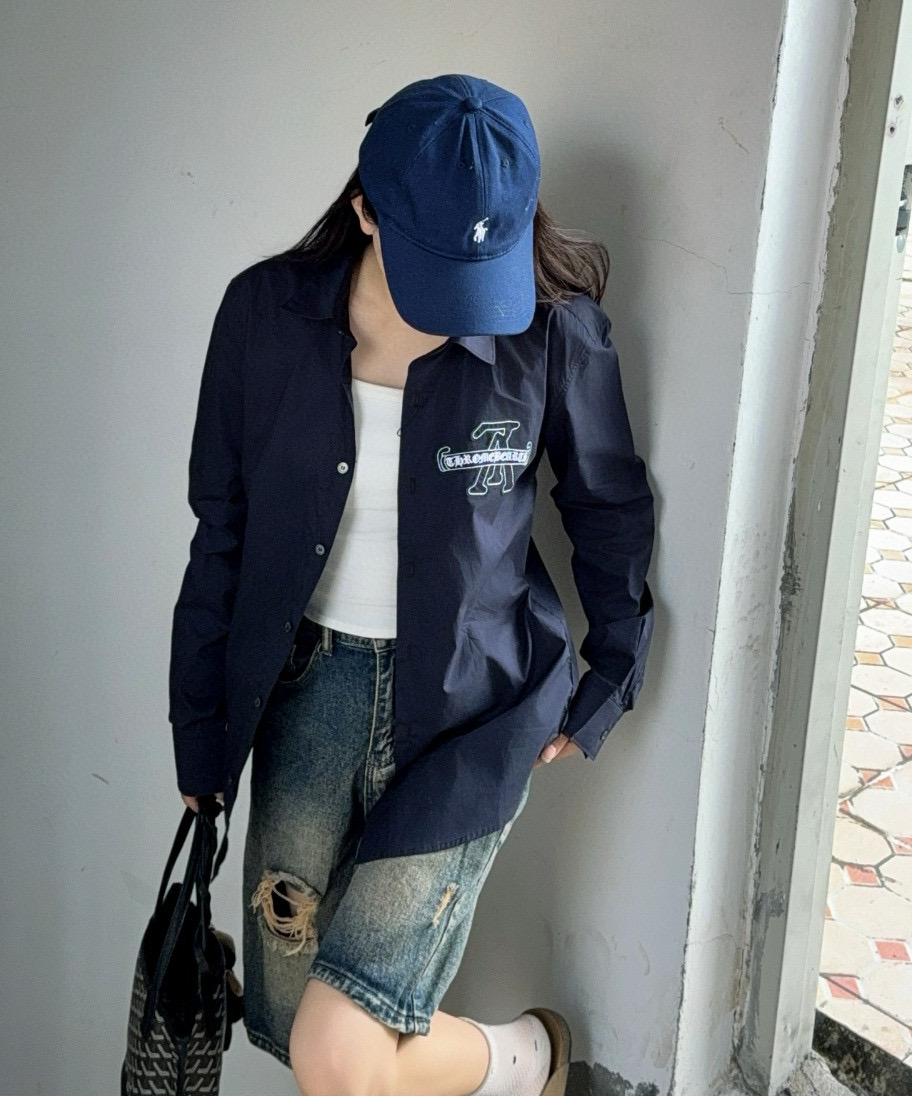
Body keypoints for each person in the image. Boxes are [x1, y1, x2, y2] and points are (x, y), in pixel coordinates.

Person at [169, 74, 656, 1096]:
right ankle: (522, 1062)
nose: (462, 308)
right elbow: (223, 532)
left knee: (337, 1055)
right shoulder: (264, 316)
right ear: (365, 210)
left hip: (472, 713)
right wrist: (201, 730)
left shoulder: (553, 332)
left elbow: (607, 501)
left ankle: (526, 1061)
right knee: (294, 1029)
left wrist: (610, 673)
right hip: (305, 696)